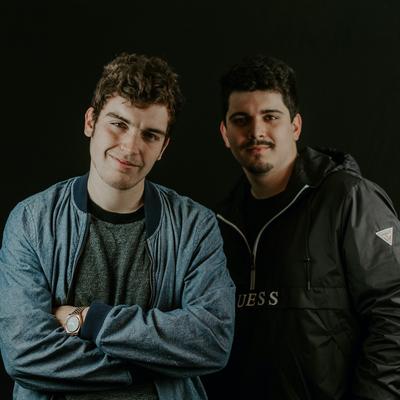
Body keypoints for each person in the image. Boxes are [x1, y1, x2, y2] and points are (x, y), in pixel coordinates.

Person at [0, 52, 235, 400]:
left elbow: (212, 340)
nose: (131, 147)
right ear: (90, 121)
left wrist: (89, 320)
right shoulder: (32, 220)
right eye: (119, 124)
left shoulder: (195, 226)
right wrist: (145, 366)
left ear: (163, 147)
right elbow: (24, 354)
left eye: (150, 135)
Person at [203, 54, 400, 399]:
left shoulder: (348, 199)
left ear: (295, 126)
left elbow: (394, 312)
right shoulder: (217, 224)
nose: (256, 131)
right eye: (241, 119)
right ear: (225, 133)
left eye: (270, 117)